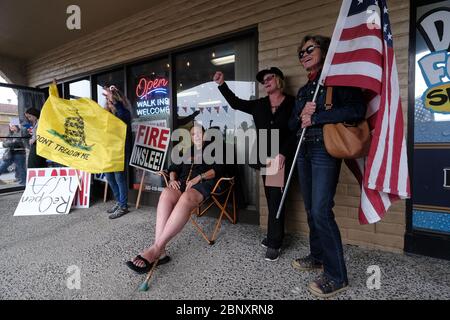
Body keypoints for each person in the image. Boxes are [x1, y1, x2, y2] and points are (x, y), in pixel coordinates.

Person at [288, 35, 367, 298]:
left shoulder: (339, 80)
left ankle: (337, 276)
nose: (305, 55)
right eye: (301, 53)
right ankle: (318, 256)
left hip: (324, 150)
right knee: (311, 209)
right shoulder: (303, 91)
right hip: (304, 150)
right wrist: (301, 116)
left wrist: (318, 116)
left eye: (310, 49)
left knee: (321, 210)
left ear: (324, 50)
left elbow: (357, 110)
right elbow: (291, 125)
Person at [213, 68, 295, 262]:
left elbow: (296, 130)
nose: (266, 82)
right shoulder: (259, 104)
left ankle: (275, 242)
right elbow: (235, 103)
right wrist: (221, 85)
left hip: (280, 155)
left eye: (270, 78)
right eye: (263, 80)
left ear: (279, 79)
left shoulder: (292, 102)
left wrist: (284, 152)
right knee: (271, 195)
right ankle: (275, 234)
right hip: (266, 155)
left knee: (276, 197)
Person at [126, 124, 223, 273]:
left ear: (205, 134)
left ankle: (156, 248)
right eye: (193, 134)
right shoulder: (187, 152)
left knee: (185, 197)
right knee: (166, 192)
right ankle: (161, 250)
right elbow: (173, 168)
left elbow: (221, 168)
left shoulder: (216, 148)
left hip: (203, 185)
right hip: (183, 184)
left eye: (199, 133)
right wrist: (172, 179)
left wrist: (199, 178)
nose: (196, 136)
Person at [103, 85, 133, 219]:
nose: (109, 104)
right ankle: (119, 201)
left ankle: (123, 206)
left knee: (119, 178)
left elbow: (122, 115)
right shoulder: (107, 114)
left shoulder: (124, 113)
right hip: (108, 150)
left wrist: (115, 102)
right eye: (108, 102)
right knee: (109, 177)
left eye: (111, 101)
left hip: (120, 151)